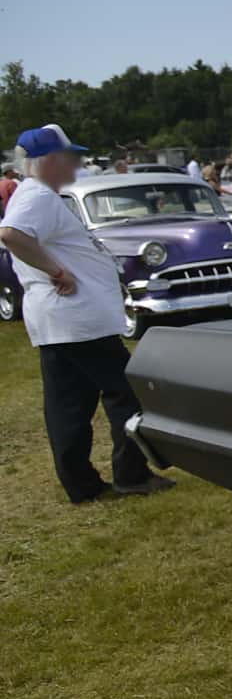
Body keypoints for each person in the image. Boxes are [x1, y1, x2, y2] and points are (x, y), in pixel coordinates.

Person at [0, 125, 171, 503]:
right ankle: (131, 474)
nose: (76, 165)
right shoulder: (38, 197)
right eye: (69, 157)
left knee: (68, 404)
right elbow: (11, 234)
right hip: (78, 321)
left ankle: (82, 485)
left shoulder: (37, 195)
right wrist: (56, 270)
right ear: (50, 160)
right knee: (126, 393)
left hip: (62, 321)